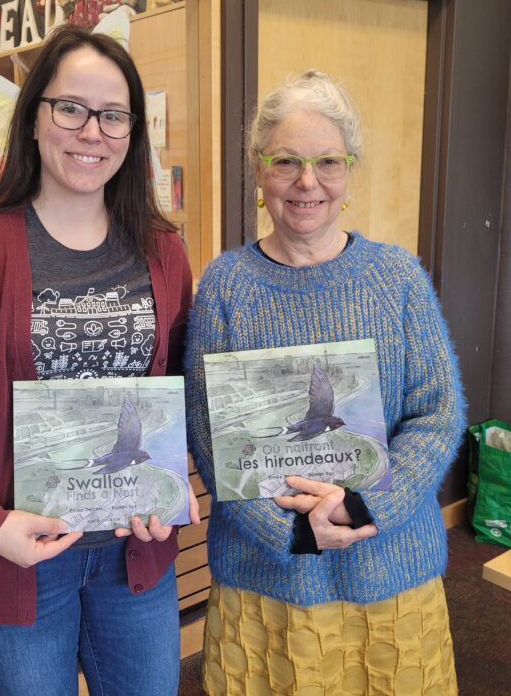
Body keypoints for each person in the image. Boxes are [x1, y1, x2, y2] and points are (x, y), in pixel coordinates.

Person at [0, 25, 196, 696]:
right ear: (34, 119)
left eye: (113, 114)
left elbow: (175, 387)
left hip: (133, 555)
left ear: (132, 132)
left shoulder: (163, 251)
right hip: (12, 558)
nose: (91, 131)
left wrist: (175, 482)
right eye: (71, 108)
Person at [185, 70, 466, 695]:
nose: (306, 181)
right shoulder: (226, 286)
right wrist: (290, 528)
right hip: (268, 577)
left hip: (390, 567)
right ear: (258, 172)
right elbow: (211, 435)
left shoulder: (397, 278)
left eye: (326, 162)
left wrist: (364, 505)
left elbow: (438, 412)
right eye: (286, 161)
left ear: (349, 171)